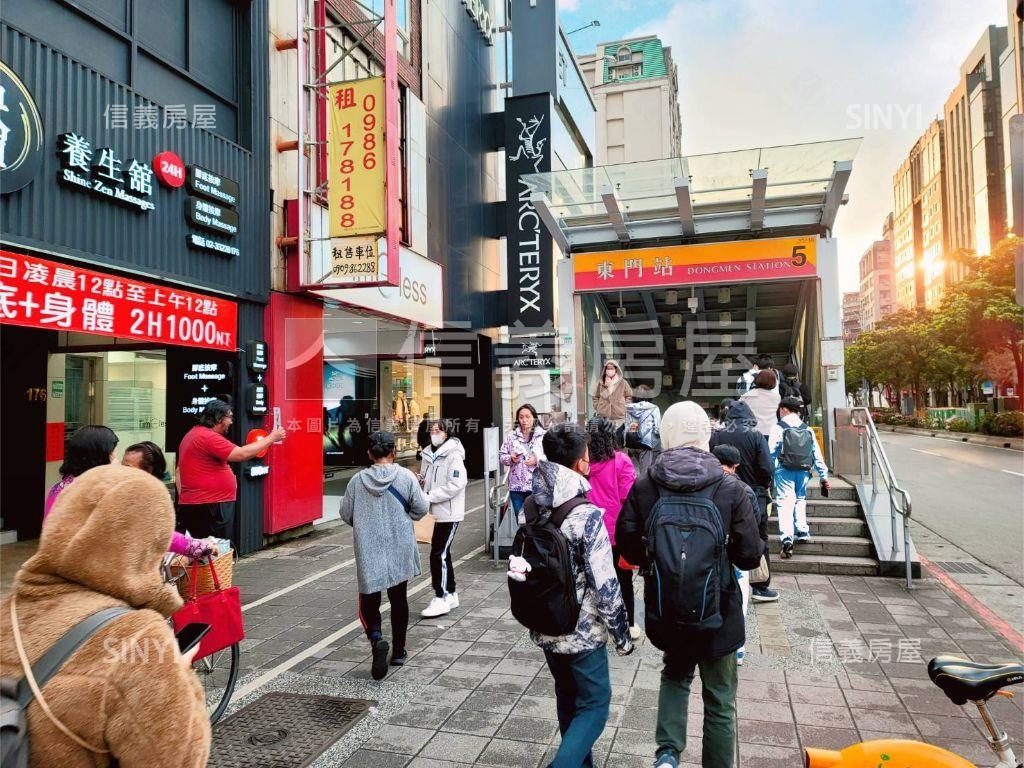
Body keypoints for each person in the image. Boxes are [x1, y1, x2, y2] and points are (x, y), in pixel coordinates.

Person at [0, 465, 212, 767]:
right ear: (149, 544)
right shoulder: (138, 637)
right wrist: (180, 676)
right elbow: (178, 759)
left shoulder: (8, 610)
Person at [617, 401, 762, 768]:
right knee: (720, 699)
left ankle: (667, 754)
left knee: (675, 676)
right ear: (705, 434)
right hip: (719, 609)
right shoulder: (731, 488)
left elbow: (628, 547)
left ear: (665, 434)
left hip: (668, 606)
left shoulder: (646, 486)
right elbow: (749, 556)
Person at [530, 424, 634, 768]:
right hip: (582, 631)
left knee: (567, 697)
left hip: (546, 622)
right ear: (579, 463)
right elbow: (605, 584)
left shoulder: (532, 505)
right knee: (595, 705)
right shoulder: (585, 515)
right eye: (587, 455)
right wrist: (622, 635)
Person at [340, 431, 429, 679]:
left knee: (369, 600)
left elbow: (346, 514)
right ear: (394, 452)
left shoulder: (357, 481)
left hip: (369, 548)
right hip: (399, 546)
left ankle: (377, 638)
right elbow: (421, 509)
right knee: (399, 598)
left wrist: (364, 523)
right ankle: (399, 651)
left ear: (369, 454)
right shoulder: (406, 477)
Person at [176, 399, 286, 542]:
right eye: (229, 417)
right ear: (219, 418)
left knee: (202, 547)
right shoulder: (208, 437)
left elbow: (179, 471)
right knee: (215, 547)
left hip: (201, 503)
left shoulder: (193, 434)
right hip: (210, 505)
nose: (231, 422)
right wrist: (271, 438)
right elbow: (241, 454)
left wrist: (186, 497)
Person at [709, 401, 778, 603]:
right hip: (754, 493)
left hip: (722, 492)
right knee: (758, 537)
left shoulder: (717, 435)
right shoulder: (756, 435)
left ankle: (721, 582)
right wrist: (763, 486)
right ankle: (759, 586)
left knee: (722, 535)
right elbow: (767, 468)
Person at [585, 417, 640, 640]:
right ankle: (629, 625)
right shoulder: (621, 461)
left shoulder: (582, 463)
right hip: (616, 532)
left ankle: (594, 622)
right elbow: (628, 496)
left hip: (588, 531)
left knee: (591, 579)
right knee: (623, 579)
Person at [121, 442, 218, 562]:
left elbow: (163, 535)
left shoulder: (153, 499)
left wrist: (197, 547)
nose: (120, 472)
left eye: (127, 468)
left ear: (149, 471)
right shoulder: (119, 492)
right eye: (121, 467)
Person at [770, 397, 831, 559]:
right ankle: (803, 531)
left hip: (784, 470)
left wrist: (769, 471)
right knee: (800, 498)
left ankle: (787, 538)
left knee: (785, 502)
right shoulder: (807, 429)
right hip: (804, 471)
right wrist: (823, 475)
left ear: (783, 409)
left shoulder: (778, 428)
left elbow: (771, 453)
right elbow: (817, 454)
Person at [419, 419, 468, 618]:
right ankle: (451, 593)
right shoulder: (427, 454)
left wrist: (430, 495)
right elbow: (426, 479)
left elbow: (456, 484)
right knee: (443, 553)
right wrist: (420, 481)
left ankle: (441, 596)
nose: (434, 433)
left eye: (438, 430)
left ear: (447, 433)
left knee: (437, 554)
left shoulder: (453, 455)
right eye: (432, 430)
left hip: (448, 512)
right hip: (433, 513)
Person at [712, 444, 755, 667]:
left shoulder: (704, 485)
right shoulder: (744, 490)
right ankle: (737, 649)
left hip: (710, 555)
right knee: (738, 601)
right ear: (736, 466)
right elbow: (754, 526)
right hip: (735, 557)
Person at [43, 425, 119, 520]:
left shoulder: (59, 488)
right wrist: (114, 474)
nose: (116, 456)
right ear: (102, 455)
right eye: (113, 452)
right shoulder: (99, 490)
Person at [499, 403, 546, 517]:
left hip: (537, 486)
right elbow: (502, 456)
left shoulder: (543, 436)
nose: (524, 420)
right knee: (520, 519)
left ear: (534, 418)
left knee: (536, 519)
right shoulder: (511, 436)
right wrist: (511, 458)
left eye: (527, 417)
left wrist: (537, 459)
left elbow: (551, 457)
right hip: (516, 487)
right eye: (521, 417)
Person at [623, 384, 661, 476]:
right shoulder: (654, 408)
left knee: (630, 472)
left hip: (631, 443)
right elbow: (657, 429)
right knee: (645, 474)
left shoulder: (628, 408)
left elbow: (626, 425)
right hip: (646, 444)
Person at [739, 369, 781, 439]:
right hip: (771, 431)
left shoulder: (748, 395)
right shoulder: (777, 397)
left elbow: (738, 408)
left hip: (752, 431)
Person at [592, 360, 632, 426]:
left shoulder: (623, 382)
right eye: (608, 368)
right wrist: (597, 407)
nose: (609, 370)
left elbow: (629, 396)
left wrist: (625, 407)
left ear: (616, 369)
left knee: (618, 432)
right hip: (603, 416)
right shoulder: (601, 382)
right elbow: (595, 396)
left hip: (619, 416)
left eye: (611, 368)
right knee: (604, 431)